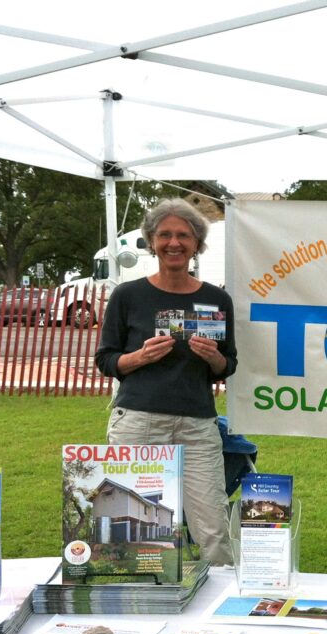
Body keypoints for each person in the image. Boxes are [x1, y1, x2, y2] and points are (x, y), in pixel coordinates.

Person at [95, 198, 237, 565]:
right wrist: (139, 357)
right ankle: (132, 588)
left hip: (197, 422)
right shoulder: (128, 295)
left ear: (197, 244)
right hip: (138, 420)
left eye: (184, 236)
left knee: (212, 523)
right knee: (130, 520)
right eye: (165, 235)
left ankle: (220, 602)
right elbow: (106, 360)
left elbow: (228, 366)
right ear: (151, 241)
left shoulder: (216, 298)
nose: (174, 243)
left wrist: (213, 357)